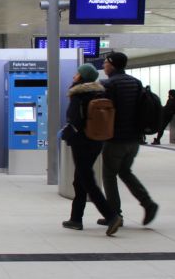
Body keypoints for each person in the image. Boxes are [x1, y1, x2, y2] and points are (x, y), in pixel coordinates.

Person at [61, 64, 123, 236]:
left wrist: (65, 134)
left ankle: (111, 216)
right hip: (97, 140)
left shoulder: (78, 94)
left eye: (77, 74)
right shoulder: (101, 92)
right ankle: (75, 219)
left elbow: (74, 121)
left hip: (81, 142)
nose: (74, 76)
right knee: (80, 180)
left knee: (88, 181)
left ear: (82, 77)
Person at [100, 52, 159, 227]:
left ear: (112, 64)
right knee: (125, 171)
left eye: (105, 62)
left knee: (109, 175)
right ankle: (148, 203)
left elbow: (104, 112)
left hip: (116, 138)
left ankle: (114, 214)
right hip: (134, 138)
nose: (104, 65)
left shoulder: (109, 85)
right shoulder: (136, 83)